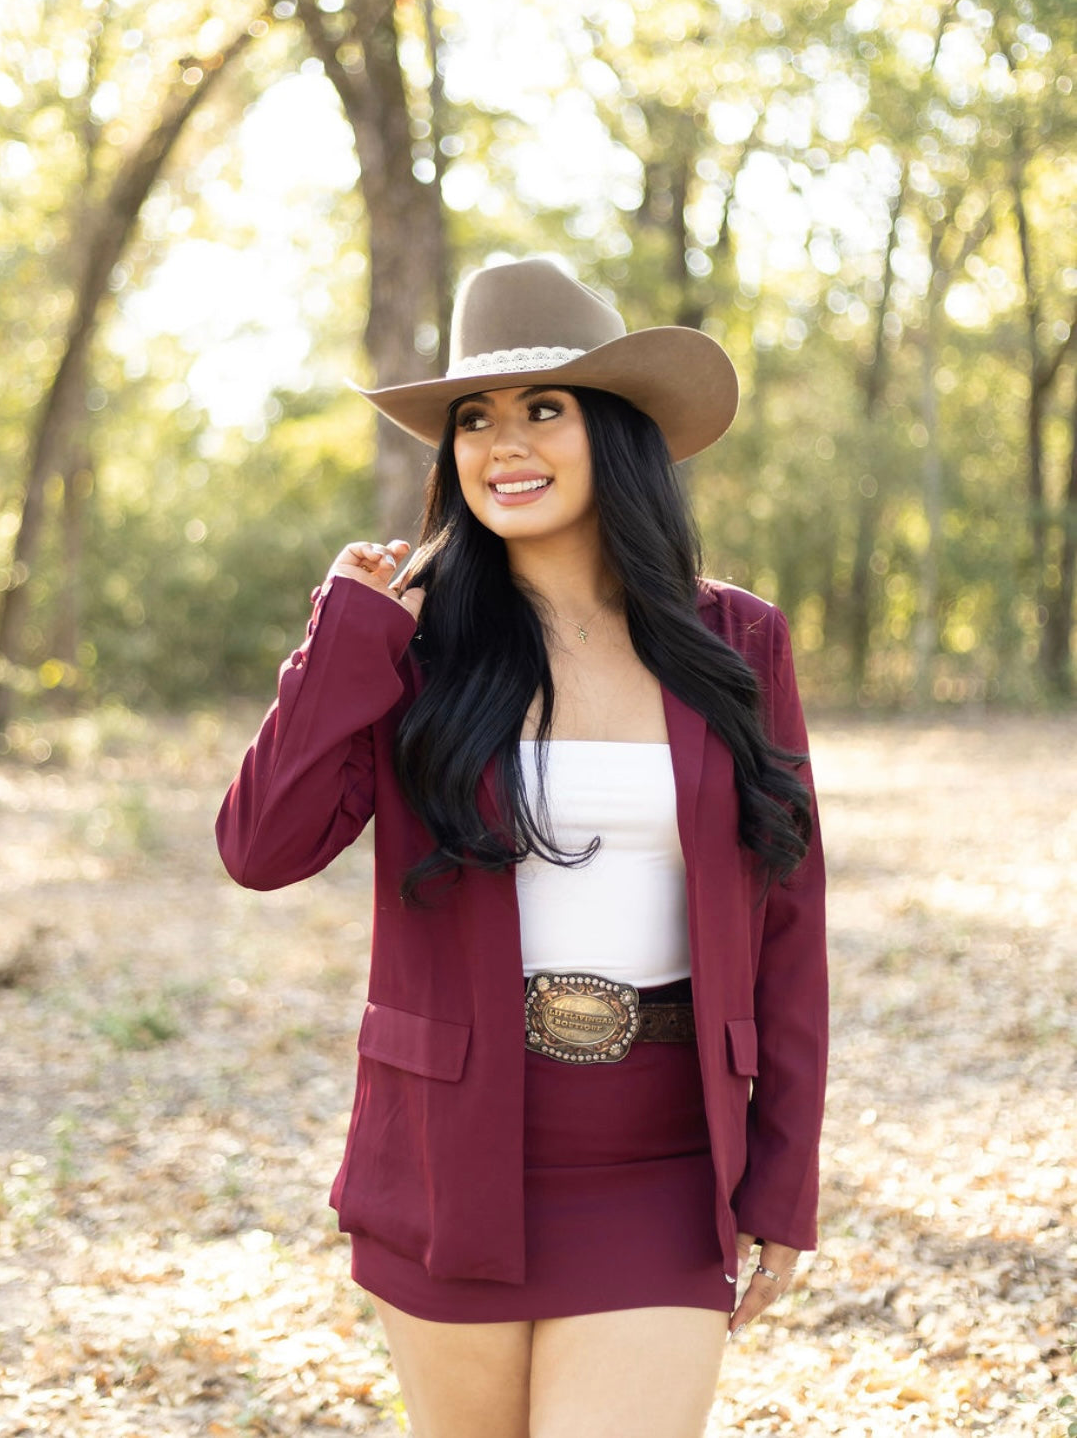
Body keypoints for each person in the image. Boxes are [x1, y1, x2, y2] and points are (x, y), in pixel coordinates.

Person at [216, 257, 828, 1438]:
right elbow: (261, 846)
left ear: (616, 430)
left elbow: (791, 917)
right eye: (476, 420)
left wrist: (782, 1175)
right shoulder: (408, 637)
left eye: (544, 408)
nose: (506, 443)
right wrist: (346, 637)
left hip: (664, 1153)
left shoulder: (737, 638)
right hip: (453, 1157)